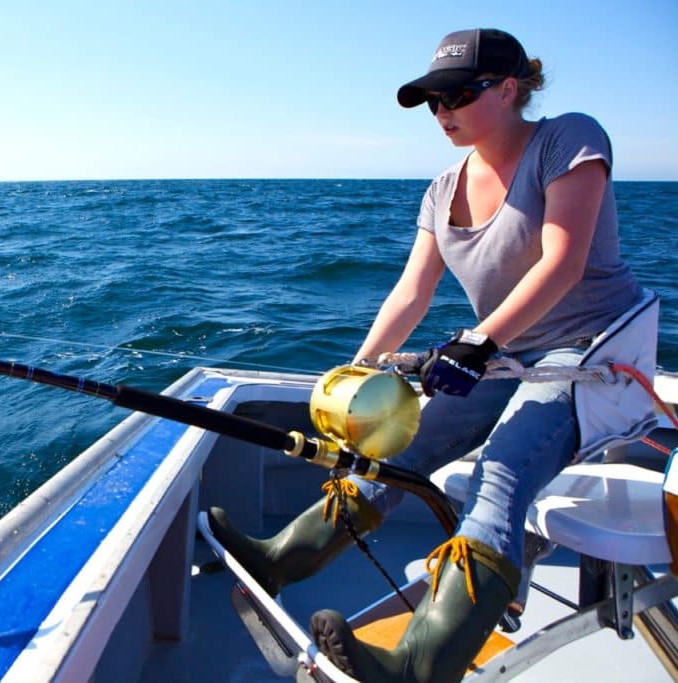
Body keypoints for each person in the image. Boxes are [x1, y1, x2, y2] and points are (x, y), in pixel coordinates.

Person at [208, 28, 646, 682]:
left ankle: (421, 664)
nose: (441, 110)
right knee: (391, 443)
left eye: (457, 94)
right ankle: (281, 560)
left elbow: (563, 261)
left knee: (499, 472)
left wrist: (477, 342)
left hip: (596, 360)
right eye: (430, 100)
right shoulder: (443, 190)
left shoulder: (566, 139)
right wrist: (356, 369)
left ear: (508, 89)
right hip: (510, 355)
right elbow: (413, 291)